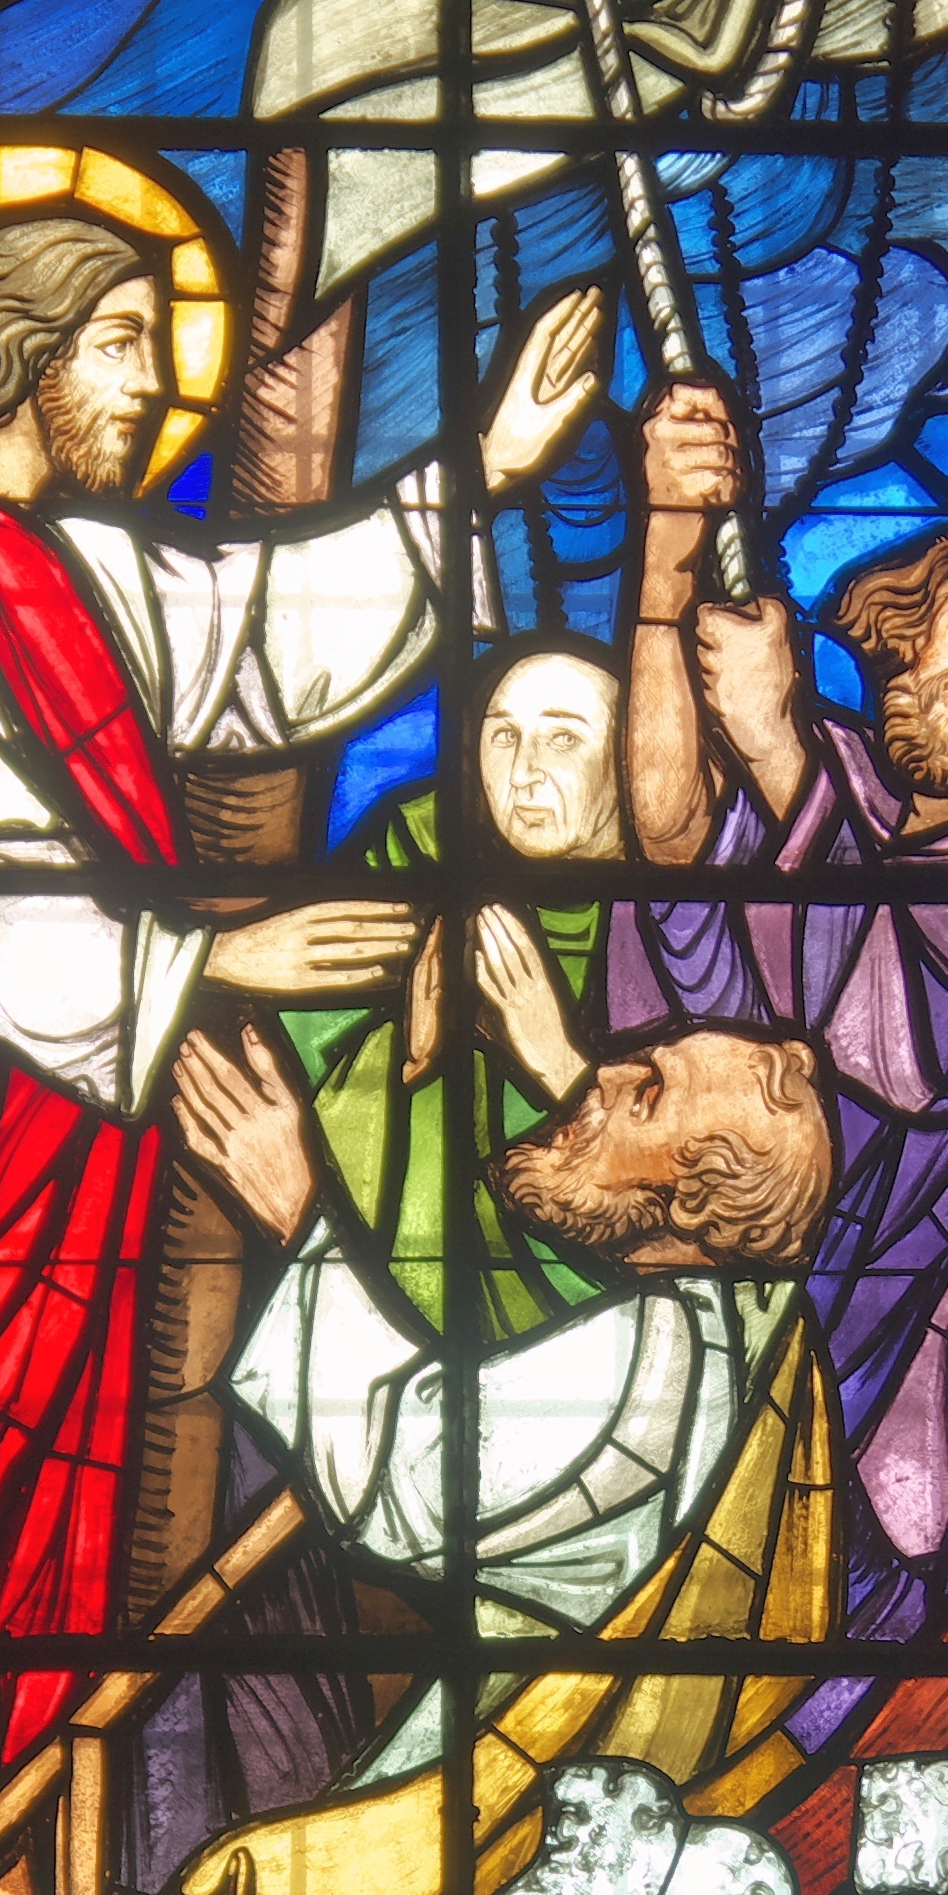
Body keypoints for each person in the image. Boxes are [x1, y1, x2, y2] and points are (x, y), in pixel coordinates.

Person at [0, 207, 602, 1780]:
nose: (154, 387)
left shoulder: (74, 562)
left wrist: (480, 470)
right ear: (14, 360)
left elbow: (261, 641)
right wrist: (204, 960)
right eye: (118, 345)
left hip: (63, 1114)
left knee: (22, 1491)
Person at [607, 399, 948, 1740]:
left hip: (915, 1306)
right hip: (756, 1264)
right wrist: (668, 561)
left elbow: (918, 1056)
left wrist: (778, 750)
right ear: (910, 627)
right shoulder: (827, 771)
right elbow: (665, 846)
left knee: (883, 1629)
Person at [167, 1005, 831, 1770]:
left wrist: (297, 1209)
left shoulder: (653, 1366)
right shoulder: (715, 1338)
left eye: (647, 1090)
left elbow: (406, 1488)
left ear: (691, 1201)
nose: (604, 1072)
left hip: (507, 1784)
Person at [284, 378, 751, 1342]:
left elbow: (734, 1205)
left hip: (626, 1345)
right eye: (501, 737)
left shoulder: (693, 923)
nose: (523, 771)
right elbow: (300, 1050)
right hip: (388, 1315)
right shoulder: (415, 853)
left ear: (629, 761)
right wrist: (408, 1056)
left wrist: (559, 1064)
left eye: (564, 739)